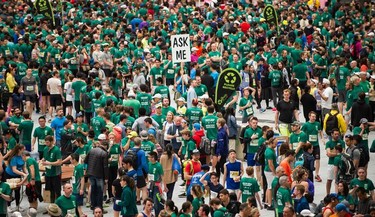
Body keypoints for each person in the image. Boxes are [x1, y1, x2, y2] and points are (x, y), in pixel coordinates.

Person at [84, 138, 109, 211]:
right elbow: (105, 167)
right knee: (99, 191)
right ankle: (99, 207)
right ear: (105, 146)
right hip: (99, 174)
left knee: (93, 190)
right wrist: (106, 178)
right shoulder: (104, 153)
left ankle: (93, 205)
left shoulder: (92, 150)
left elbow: (85, 160)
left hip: (90, 173)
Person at [301, 111, 324, 182]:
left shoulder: (317, 124)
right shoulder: (306, 125)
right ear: (309, 117)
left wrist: (322, 138)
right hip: (308, 146)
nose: (314, 118)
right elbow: (302, 133)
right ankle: (305, 174)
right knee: (307, 160)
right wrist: (306, 141)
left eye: (315, 117)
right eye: (312, 116)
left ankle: (316, 174)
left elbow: (320, 131)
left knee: (317, 159)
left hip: (316, 145)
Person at [5, 144, 27, 212]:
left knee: (18, 190)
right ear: (19, 150)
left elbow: (23, 166)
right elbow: (14, 169)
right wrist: (23, 174)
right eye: (23, 150)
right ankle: (8, 206)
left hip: (17, 175)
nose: (24, 151)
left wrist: (26, 173)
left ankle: (18, 205)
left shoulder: (22, 156)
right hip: (9, 175)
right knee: (9, 190)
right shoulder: (13, 158)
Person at [41, 135, 62, 203]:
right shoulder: (45, 149)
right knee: (49, 190)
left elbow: (59, 162)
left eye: (47, 142)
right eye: (45, 142)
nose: (46, 144)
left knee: (57, 191)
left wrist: (49, 163)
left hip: (55, 173)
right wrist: (43, 160)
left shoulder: (56, 150)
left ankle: (59, 205)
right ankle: (51, 206)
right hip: (48, 173)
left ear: (52, 142)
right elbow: (45, 157)